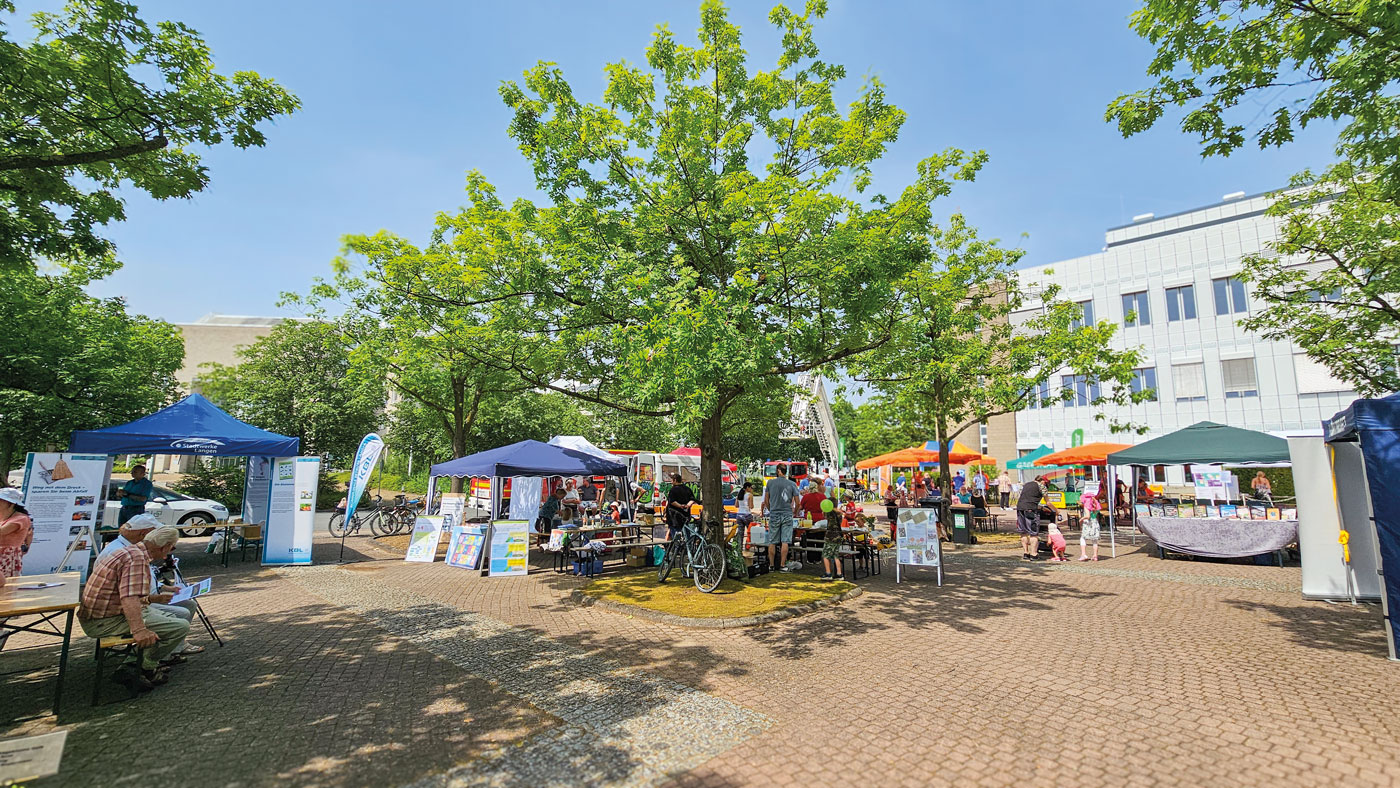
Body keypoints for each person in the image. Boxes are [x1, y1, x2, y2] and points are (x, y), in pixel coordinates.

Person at [78, 526, 190, 693]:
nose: (170, 552)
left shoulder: (131, 551)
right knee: (179, 627)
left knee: (179, 614)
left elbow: (124, 593)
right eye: (172, 548)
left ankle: (139, 665)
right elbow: (128, 598)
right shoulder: (136, 559)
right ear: (164, 546)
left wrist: (153, 599)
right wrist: (139, 630)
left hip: (103, 614)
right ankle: (139, 668)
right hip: (104, 620)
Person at [761, 464, 800, 572]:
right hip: (787, 513)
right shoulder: (792, 484)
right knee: (785, 541)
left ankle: (772, 565)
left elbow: (766, 501)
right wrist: (795, 513)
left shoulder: (770, 483)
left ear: (778, 471)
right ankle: (783, 565)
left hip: (774, 513)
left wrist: (771, 509)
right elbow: (798, 503)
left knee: (772, 541)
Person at [0, 487, 33, 587]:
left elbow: (2, 531)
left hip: (7, 556)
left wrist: (26, 546)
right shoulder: (3, 516)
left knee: (6, 587)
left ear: (11, 504)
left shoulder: (21, 519)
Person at [1016, 474, 1049, 561]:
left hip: (1020, 508)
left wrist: (1041, 507)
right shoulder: (1041, 486)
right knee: (1033, 533)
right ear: (1043, 481)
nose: (1046, 485)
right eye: (1046, 484)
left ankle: (1026, 553)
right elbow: (1048, 502)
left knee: (1023, 531)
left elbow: (1028, 500)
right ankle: (1034, 554)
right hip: (1031, 510)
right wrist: (1056, 511)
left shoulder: (1026, 485)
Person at [663, 473, 696, 539]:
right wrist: (687, 505)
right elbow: (692, 499)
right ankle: (687, 547)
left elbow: (672, 501)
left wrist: (680, 506)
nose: (671, 482)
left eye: (672, 480)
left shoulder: (673, 490)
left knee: (676, 535)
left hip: (674, 516)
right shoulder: (687, 489)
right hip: (685, 515)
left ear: (675, 480)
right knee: (687, 535)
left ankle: (677, 547)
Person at [1079, 490, 1102, 561]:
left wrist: (1081, 519)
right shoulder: (1095, 506)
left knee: (1083, 538)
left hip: (1088, 523)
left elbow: (1088, 516)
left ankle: (1083, 554)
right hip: (1095, 522)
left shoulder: (1086, 507)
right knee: (1094, 540)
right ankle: (1095, 556)